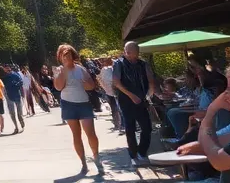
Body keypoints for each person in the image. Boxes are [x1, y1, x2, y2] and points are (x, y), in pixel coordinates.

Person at [54, 44, 103, 176]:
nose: (66, 58)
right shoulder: (59, 70)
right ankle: (83, 163)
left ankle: (96, 157)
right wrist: (63, 72)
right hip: (68, 104)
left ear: (73, 55)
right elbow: (58, 87)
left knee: (91, 133)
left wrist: (84, 83)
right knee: (76, 134)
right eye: (63, 56)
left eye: (68, 55)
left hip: (83, 103)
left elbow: (91, 86)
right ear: (60, 57)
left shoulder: (81, 69)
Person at [112, 39, 156, 166]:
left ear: (136, 52)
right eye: (127, 51)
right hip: (126, 99)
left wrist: (149, 95)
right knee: (130, 127)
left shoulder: (143, 64)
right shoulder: (119, 64)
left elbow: (151, 80)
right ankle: (133, 154)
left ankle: (142, 152)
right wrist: (131, 96)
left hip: (141, 99)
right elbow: (116, 82)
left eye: (131, 52)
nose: (128, 54)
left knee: (147, 127)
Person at [98, 57, 123, 133]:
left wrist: (105, 89)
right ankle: (120, 124)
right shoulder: (109, 70)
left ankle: (118, 124)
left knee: (115, 108)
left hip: (111, 92)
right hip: (115, 92)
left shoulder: (105, 70)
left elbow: (101, 80)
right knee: (118, 108)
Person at [0, 65, 24, 133]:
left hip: (17, 95)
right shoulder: (3, 77)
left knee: (19, 113)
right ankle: (16, 127)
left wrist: (16, 85)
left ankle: (21, 122)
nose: (8, 72)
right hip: (9, 96)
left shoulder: (15, 74)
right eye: (6, 70)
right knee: (12, 113)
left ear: (10, 69)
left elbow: (21, 82)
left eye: (9, 70)